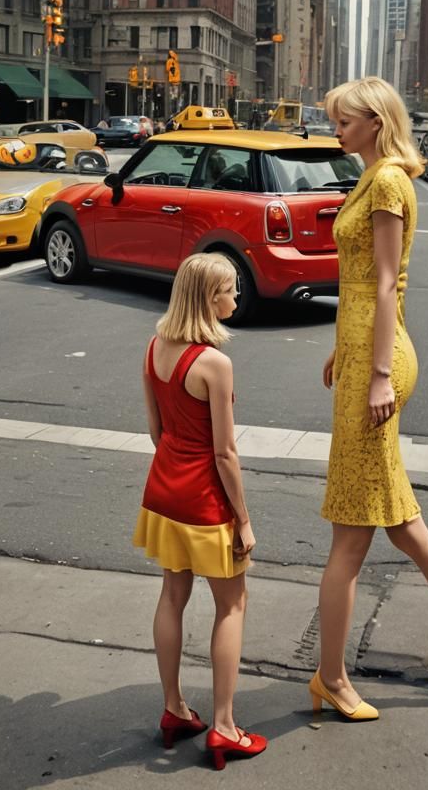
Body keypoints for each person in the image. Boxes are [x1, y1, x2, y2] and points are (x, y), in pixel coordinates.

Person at [310, 76, 428, 722]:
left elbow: (387, 283)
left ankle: (331, 676)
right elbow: (362, 282)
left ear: (376, 121)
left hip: (380, 361)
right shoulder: (374, 177)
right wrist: (347, 351)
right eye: (335, 118)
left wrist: (379, 372)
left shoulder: (388, 181)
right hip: (366, 353)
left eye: (345, 119)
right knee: (402, 524)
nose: (336, 127)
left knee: (350, 536)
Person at [132, 253, 267, 771]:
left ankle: (173, 708)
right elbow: (225, 454)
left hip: (163, 491)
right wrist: (244, 519)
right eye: (231, 290)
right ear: (211, 300)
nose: (236, 297)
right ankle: (226, 726)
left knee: (172, 594)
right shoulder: (213, 363)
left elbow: (155, 430)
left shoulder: (154, 348)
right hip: (205, 501)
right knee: (232, 604)